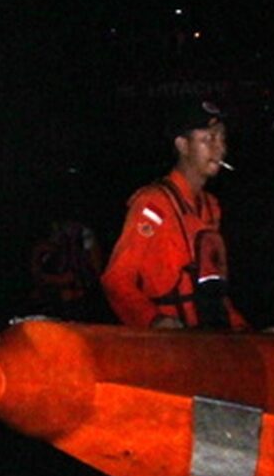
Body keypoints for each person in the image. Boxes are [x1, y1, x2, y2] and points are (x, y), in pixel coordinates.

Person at [102, 96, 247, 330]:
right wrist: (154, 320)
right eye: (208, 139)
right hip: (171, 349)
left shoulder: (211, 207)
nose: (220, 148)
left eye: (222, 138)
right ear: (182, 145)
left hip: (209, 344)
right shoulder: (154, 205)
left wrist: (246, 333)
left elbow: (214, 292)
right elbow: (117, 280)